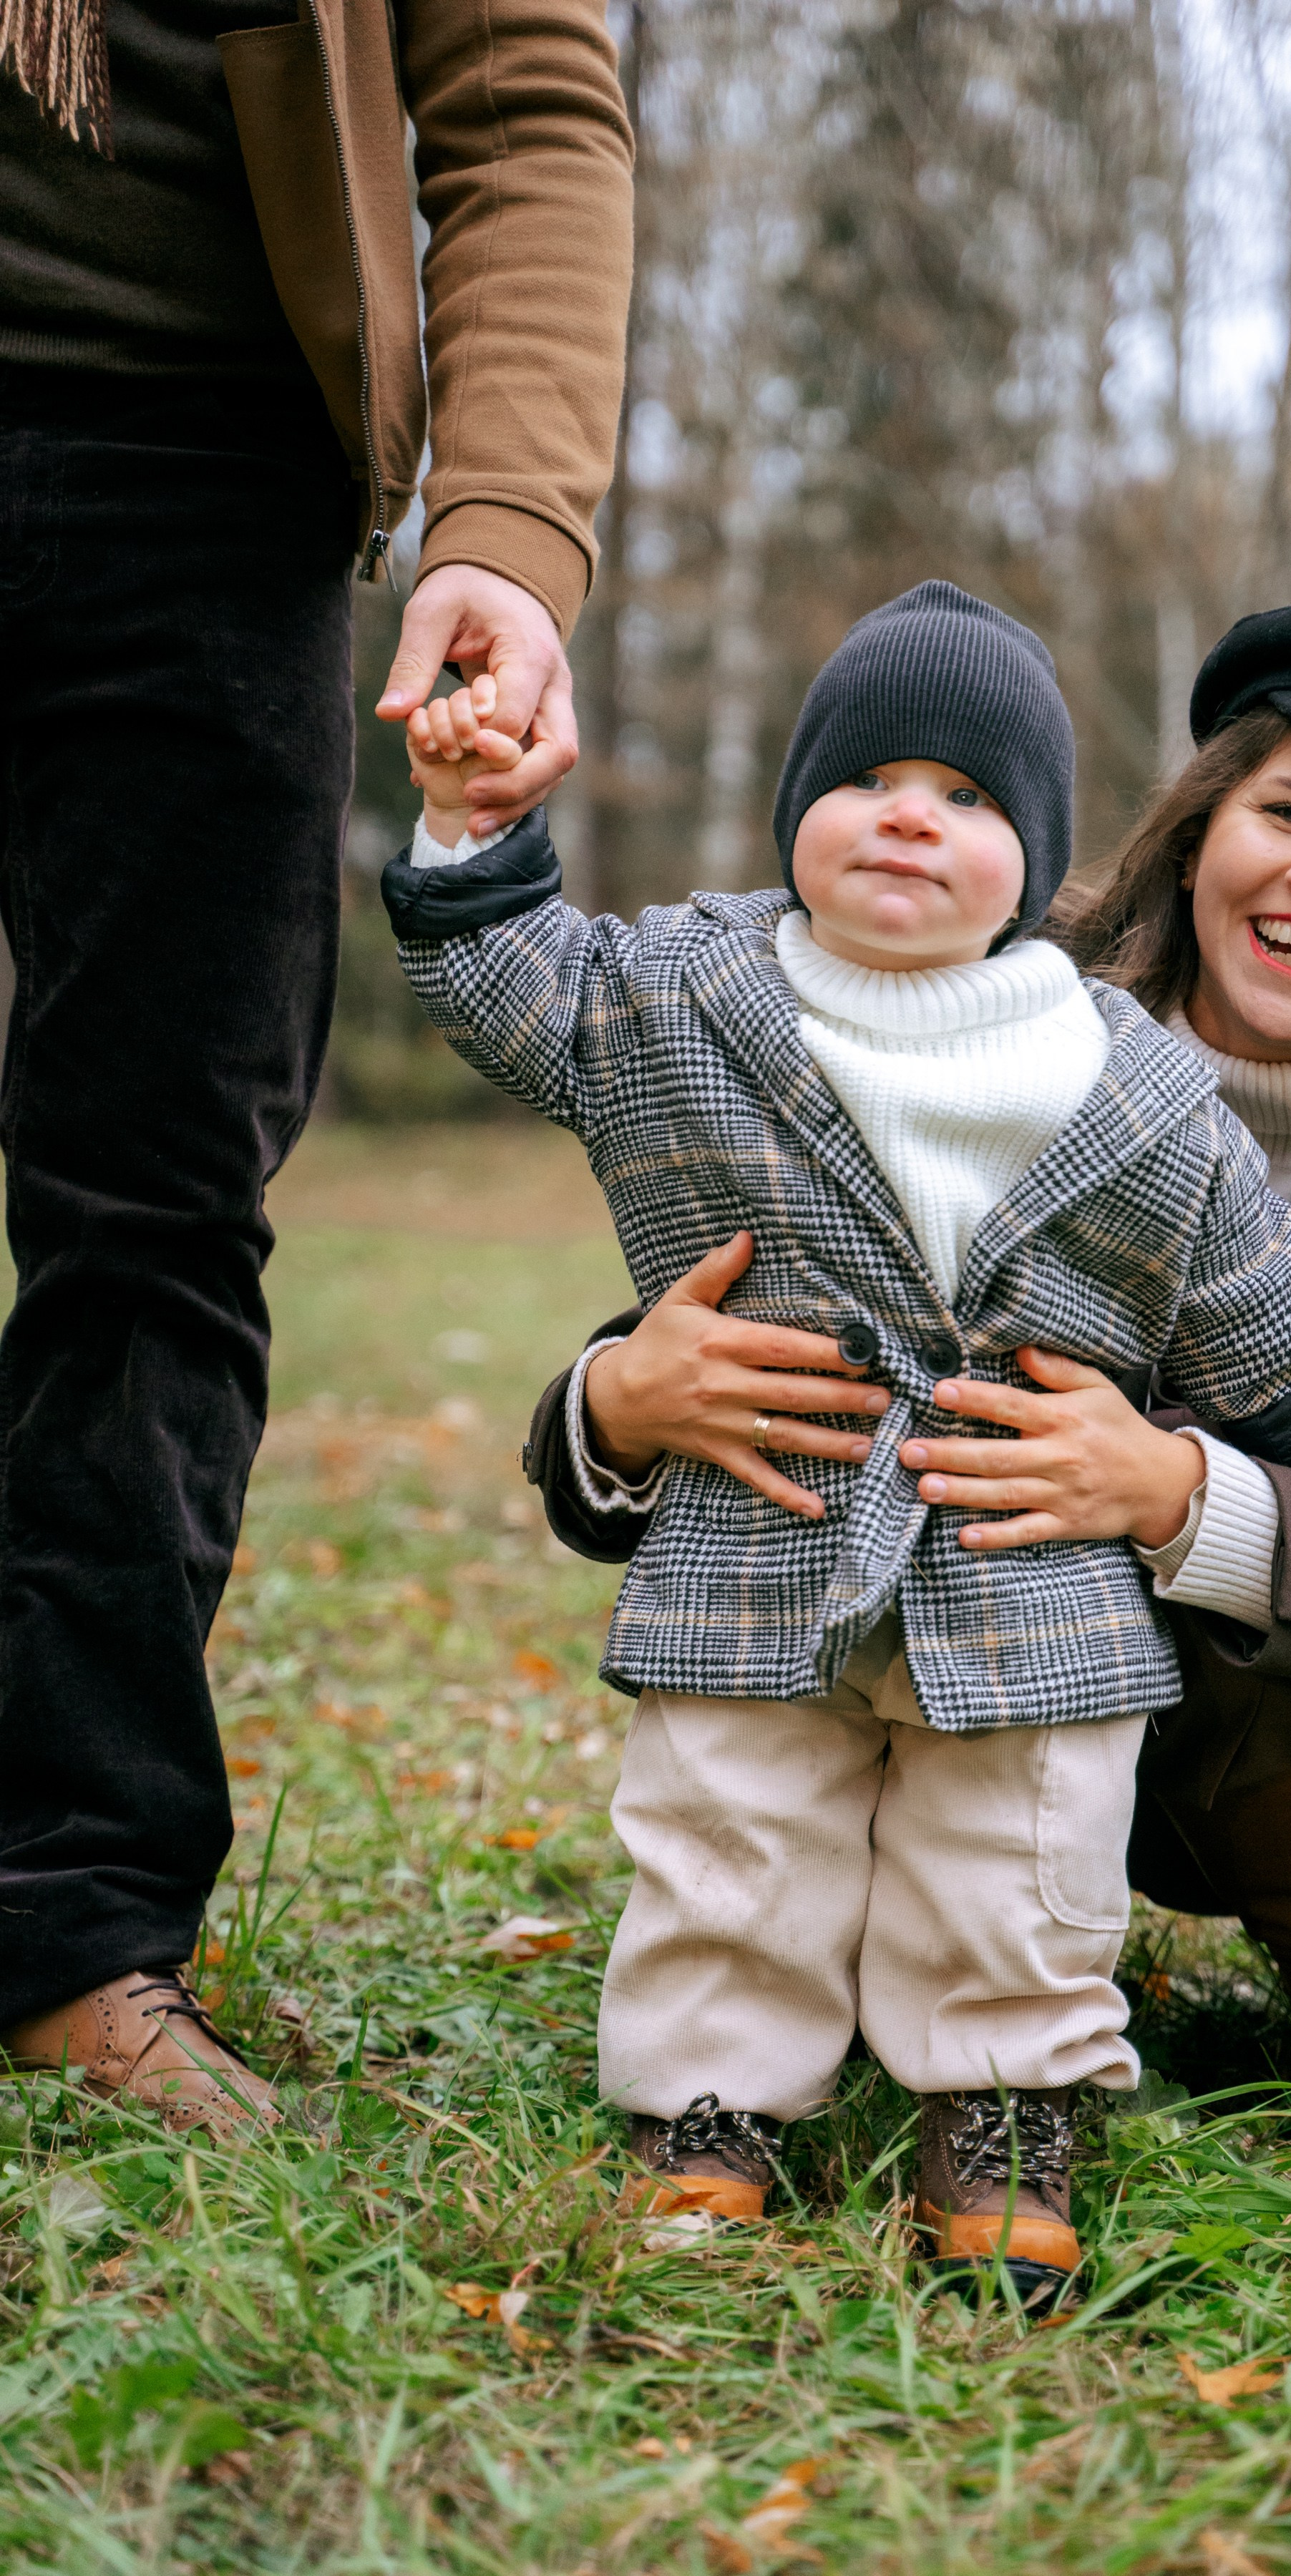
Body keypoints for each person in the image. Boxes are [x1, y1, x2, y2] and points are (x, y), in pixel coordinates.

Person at [387, 580, 1291, 2305]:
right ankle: (707, 2105)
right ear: (798, 814)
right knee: (730, 1828)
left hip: (1026, 1558)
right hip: (761, 1520)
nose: (909, 817)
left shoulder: (1131, 1078)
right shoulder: (671, 998)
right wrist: (469, 823)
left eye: (969, 799)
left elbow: (1248, 1287)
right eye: (869, 780)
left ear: (1041, 861)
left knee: (1021, 1850)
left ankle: (1002, 2106)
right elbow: (504, 981)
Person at [538, 598, 1291, 2150]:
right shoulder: (972, 982)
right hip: (915, 1653)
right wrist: (616, 1406)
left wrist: (1176, 1494)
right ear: (1198, 834)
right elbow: (719, 1298)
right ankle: (820, 1969)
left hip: (1262, 1729)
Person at [0, 0, 633, 2132]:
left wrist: (507, 525)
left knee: (152, 1213)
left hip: (210, 471)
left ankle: (73, 1926)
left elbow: (527, 102)